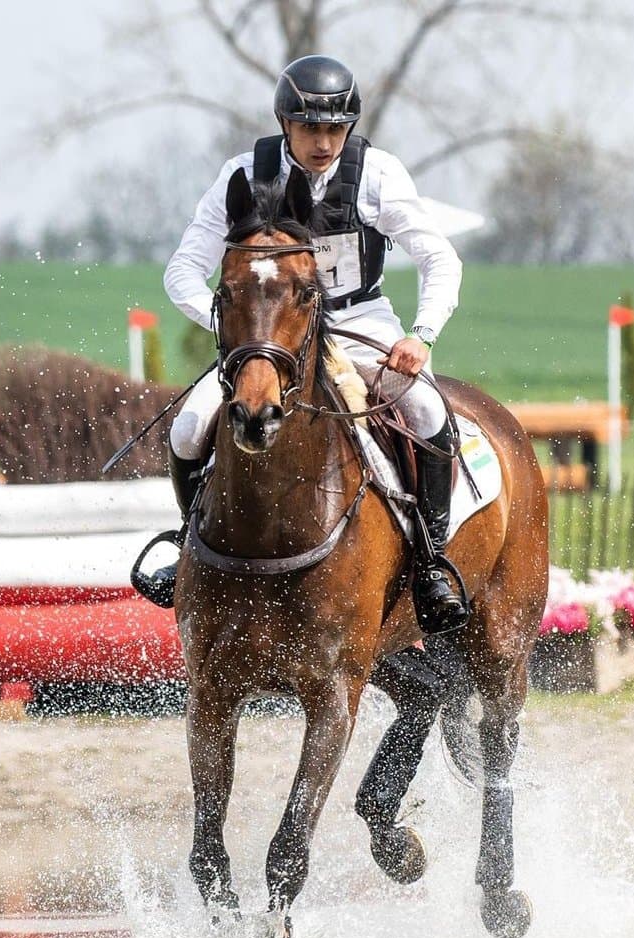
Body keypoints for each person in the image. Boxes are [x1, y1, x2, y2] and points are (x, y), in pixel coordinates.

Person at [152, 54, 466, 634]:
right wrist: (236, 328)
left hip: (359, 322)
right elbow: (182, 272)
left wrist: (421, 335)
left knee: (425, 411)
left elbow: (437, 256)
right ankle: (187, 549)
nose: (324, 142)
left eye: (335, 129)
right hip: (271, 335)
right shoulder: (242, 177)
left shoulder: (376, 174)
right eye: (310, 128)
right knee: (188, 427)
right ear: (285, 125)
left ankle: (431, 561)